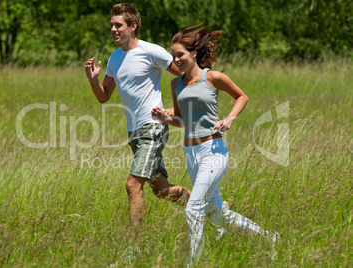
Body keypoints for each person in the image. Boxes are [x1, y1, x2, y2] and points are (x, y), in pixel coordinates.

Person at [152, 24, 279, 263]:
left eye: (180, 54)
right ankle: (269, 238)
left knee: (193, 209)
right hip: (191, 152)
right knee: (218, 215)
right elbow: (181, 119)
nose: (176, 59)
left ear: (193, 54)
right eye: (173, 56)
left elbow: (242, 96)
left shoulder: (213, 77)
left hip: (213, 150)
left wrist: (229, 118)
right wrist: (164, 118)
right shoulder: (175, 84)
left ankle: (193, 263)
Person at [85, 3, 191, 228]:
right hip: (134, 131)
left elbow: (185, 76)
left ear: (133, 26)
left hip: (153, 127)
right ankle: (208, 207)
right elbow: (104, 96)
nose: (113, 29)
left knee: (133, 185)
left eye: (118, 25)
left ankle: (134, 251)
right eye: (112, 25)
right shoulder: (114, 58)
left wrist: (175, 109)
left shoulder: (151, 51)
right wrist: (93, 80)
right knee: (162, 190)